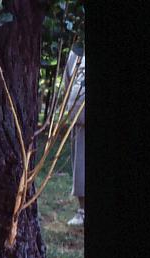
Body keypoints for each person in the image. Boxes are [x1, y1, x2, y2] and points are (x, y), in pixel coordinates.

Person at [64, 46, 85, 226]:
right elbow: (67, 81)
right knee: (80, 166)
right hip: (79, 119)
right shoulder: (76, 52)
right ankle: (82, 211)